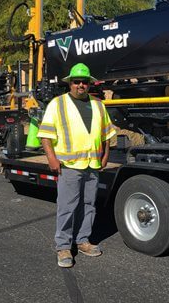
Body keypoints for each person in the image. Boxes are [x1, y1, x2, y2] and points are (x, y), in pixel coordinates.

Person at [37, 63, 117, 268]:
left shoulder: (98, 105)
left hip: (92, 164)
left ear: (89, 84)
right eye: (76, 82)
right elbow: (45, 135)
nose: (80, 85)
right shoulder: (58, 104)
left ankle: (82, 241)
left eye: (84, 82)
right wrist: (51, 158)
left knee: (89, 205)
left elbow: (106, 134)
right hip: (69, 165)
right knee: (67, 206)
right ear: (70, 83)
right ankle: (63, 246)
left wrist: (105, 155)